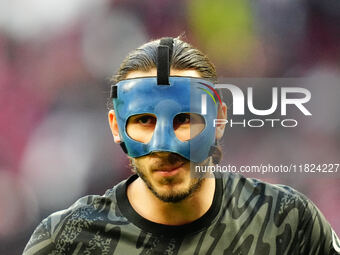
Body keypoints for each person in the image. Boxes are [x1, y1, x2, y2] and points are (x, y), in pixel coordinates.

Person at [24, 37, 340, 255]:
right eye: (144, 121)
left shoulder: (287, 219)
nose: (165, 145)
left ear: (218, 120)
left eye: (184, 120)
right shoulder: (67, 238)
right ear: (116, 127)